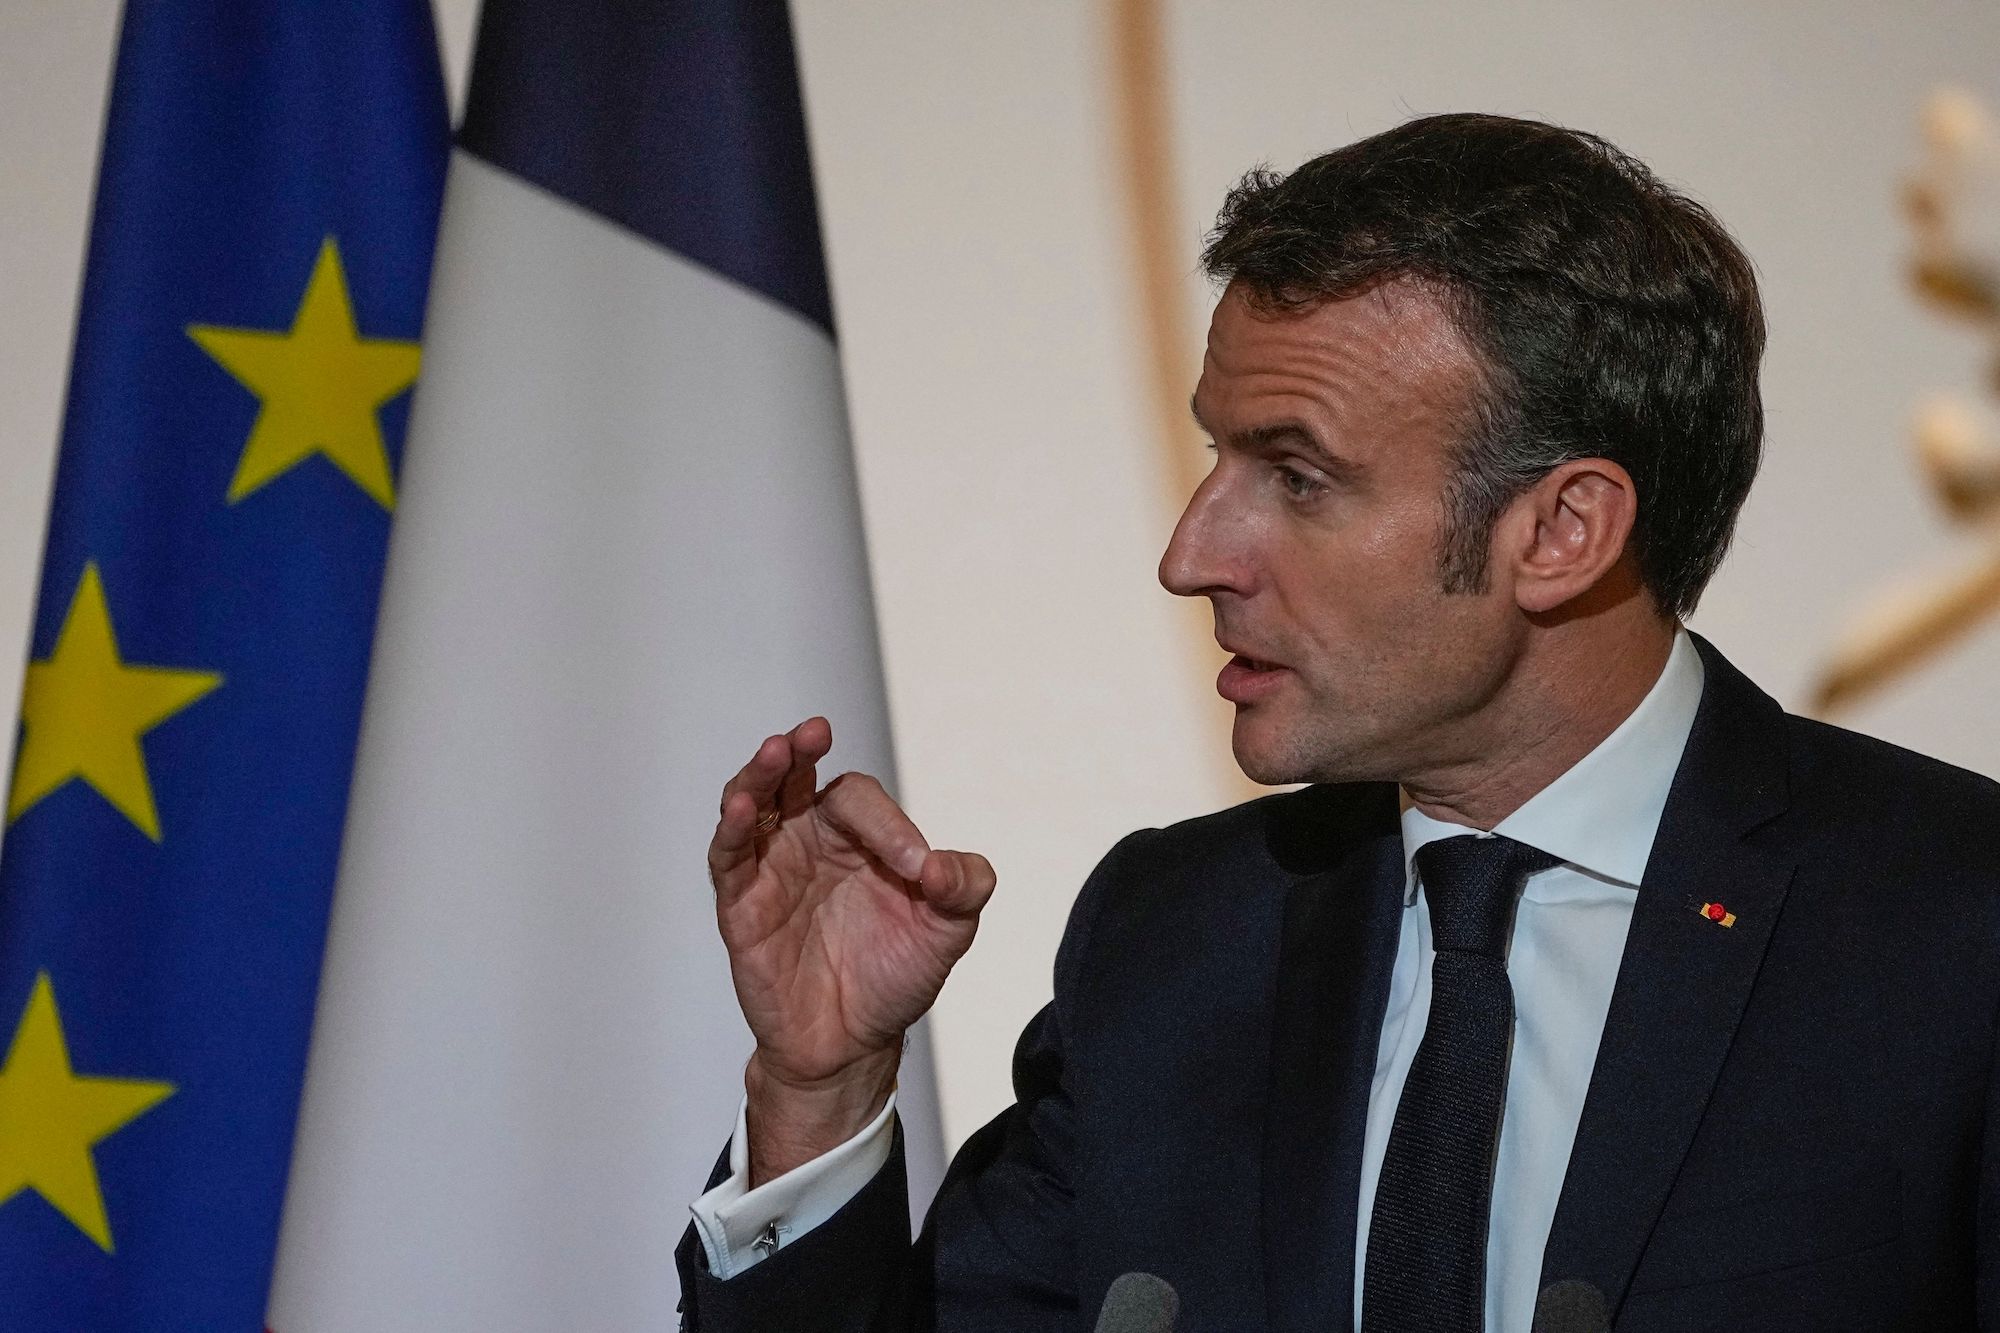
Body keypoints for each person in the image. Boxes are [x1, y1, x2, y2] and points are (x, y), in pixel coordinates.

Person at [674, 113, 2000, 1332]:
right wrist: (820, 1088)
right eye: (1219, 458)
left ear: (1564, 530)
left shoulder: (1949, 922)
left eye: (1297, 477)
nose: (1193, 553)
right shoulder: (1173, 943)